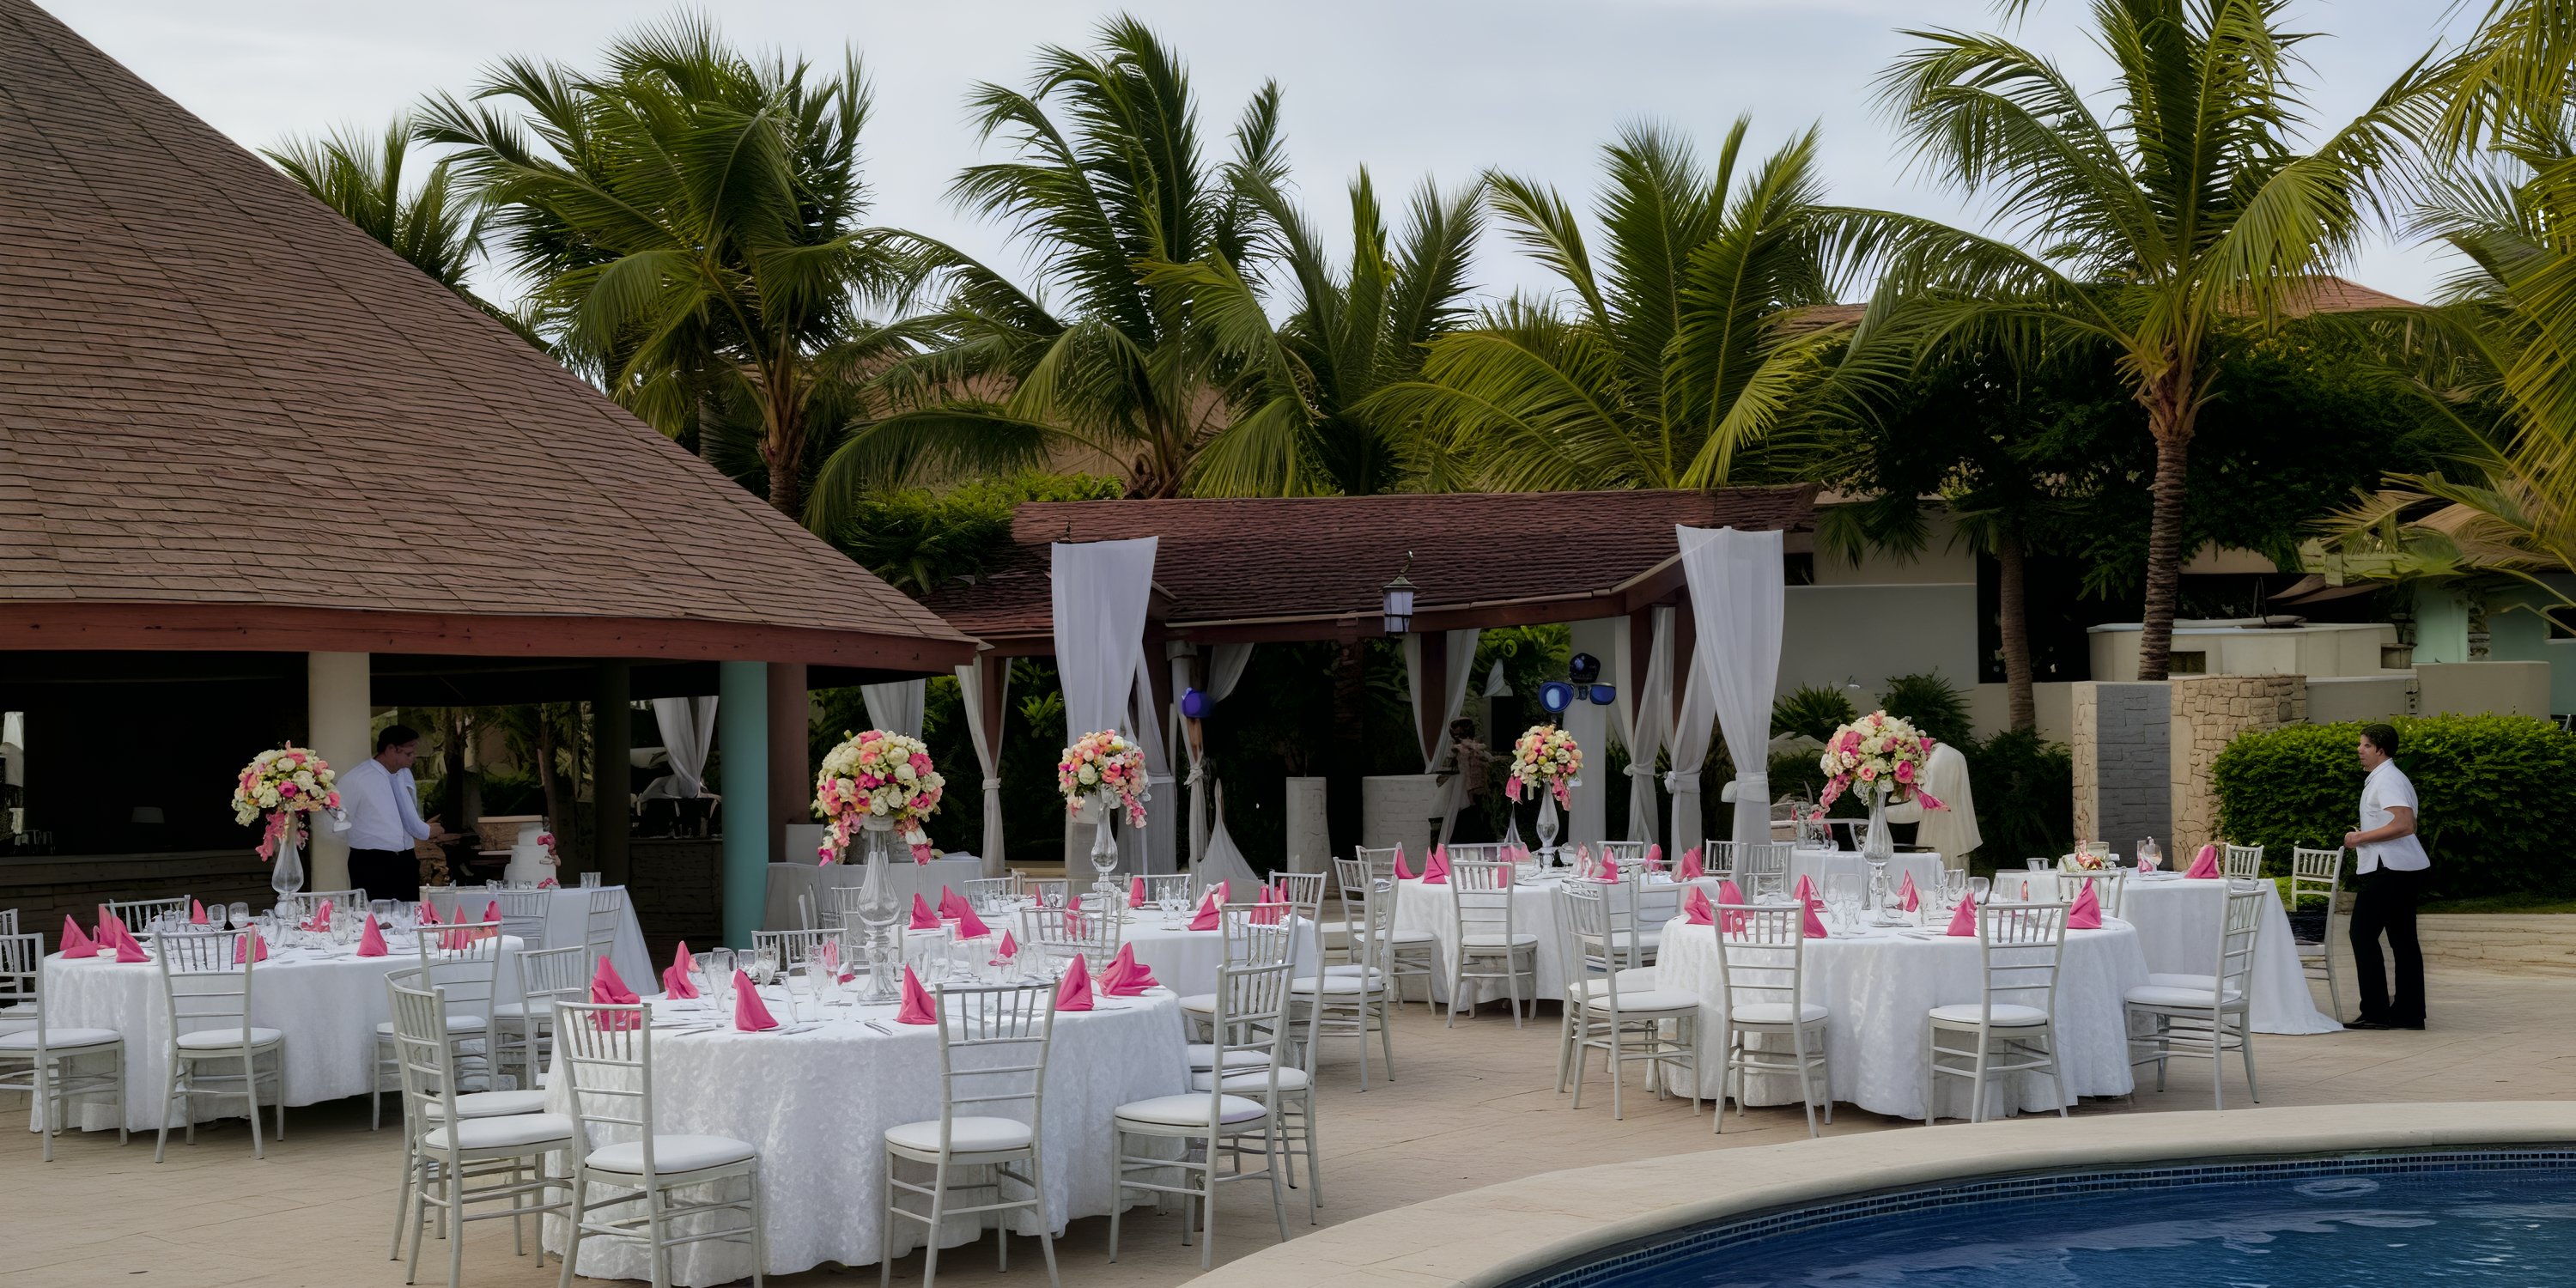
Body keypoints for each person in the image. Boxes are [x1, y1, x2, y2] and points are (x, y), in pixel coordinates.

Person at [2342, 722, 2428, 1030]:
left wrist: (2360, 838)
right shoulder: (2387, 777)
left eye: (2365, 745)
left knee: (2362, 934)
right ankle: (2408, 1013)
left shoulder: (2387, 779)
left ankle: (2376, 1012)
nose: (2359, 750)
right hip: (2402, 868)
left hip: (2390, 869)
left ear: (2380, 749)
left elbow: (2405, 824)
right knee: (2403, 941)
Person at [332, 725, 453, 902]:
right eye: (408, 753)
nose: (413, 758)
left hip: (406, 858)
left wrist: (424, 830)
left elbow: (410, 813)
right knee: (376, 917)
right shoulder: (357, 779)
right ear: (390, 749)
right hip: (372, 861)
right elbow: (335, 819)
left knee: (408, 915)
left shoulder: (405, 774)